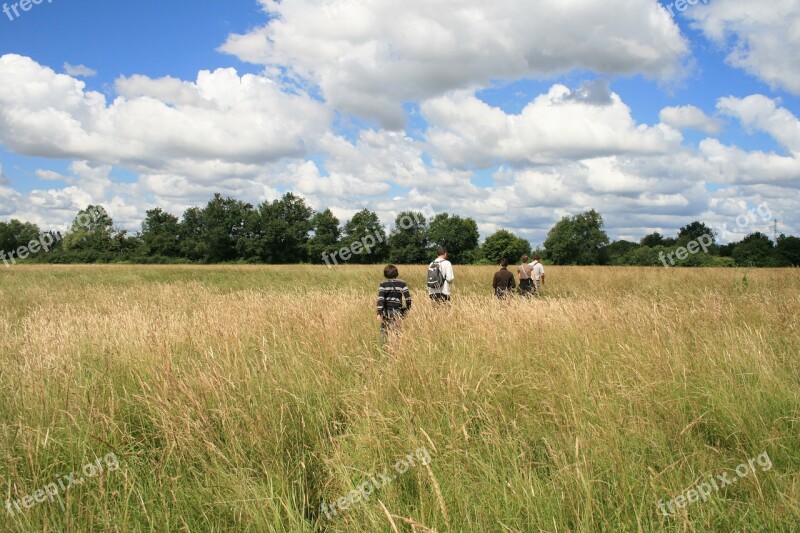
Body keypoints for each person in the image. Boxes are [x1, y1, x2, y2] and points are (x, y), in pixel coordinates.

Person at [376, 264, 411, 336]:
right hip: (397, 310)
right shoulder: (402, 283)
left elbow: (381, 299)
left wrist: (379, 312)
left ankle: (385, 345)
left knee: (384, 331)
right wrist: (408, 308)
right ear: (396, 273)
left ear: (385, 274)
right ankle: (395, 345)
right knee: (396, 330)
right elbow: (408, 298)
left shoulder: (383, 284)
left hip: (386, 311)